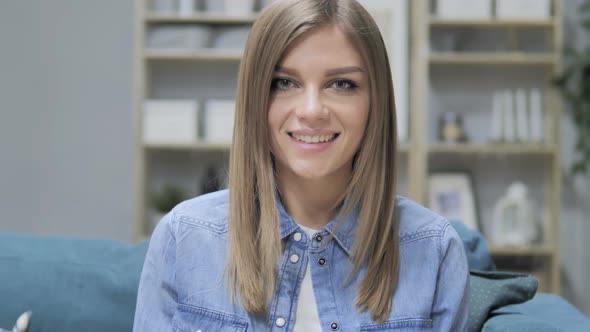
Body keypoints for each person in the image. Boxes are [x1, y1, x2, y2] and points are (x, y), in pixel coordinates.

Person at [133, 0, 470, 331]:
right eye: (284, 82)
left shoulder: (435, 250)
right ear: (255, 100)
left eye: (342, 84)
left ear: (375, 103)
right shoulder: (183, 236)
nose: (312, 110)